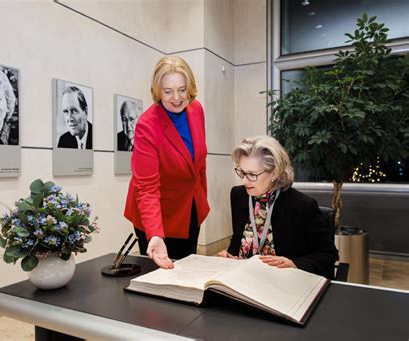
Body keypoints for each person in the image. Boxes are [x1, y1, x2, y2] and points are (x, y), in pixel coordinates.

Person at [124, 56, 209, 269]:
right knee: (161, 277)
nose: (177, 98)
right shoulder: (146, 125)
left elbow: (198, 163)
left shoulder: (196, 110)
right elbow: (146, 188)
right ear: (157, 91)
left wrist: (200, 199)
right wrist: (154, 233)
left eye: (182, 89)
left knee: (187, 269)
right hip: (158, 213)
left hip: (189, 208)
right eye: (168, 91)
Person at [218, 135, 338, 279]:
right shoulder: (239, 195)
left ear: (274, 172)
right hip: (244, 279)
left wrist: (294, 264)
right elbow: (240, 238)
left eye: (251, 174)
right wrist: (230, 256)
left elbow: (328, 255)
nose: (244, 180)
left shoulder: (302, 205)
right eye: (242, 172)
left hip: (283, 283)